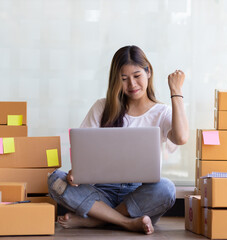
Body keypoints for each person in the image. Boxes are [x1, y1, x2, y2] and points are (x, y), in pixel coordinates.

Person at [48, 45, 189, 235]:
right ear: (116, 81)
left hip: (139, 194)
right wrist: (77, 172)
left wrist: (176, 91)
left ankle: (96, 221)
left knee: (166, 189)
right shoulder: (102, 107)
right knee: (56, 179)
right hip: (101, 192)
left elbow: (181, 138)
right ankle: (126, 222)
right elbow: (84, 151)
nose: (132, 84)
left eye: (137, 75)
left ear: (148, 72)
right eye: (124, 79)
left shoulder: (161, 112)